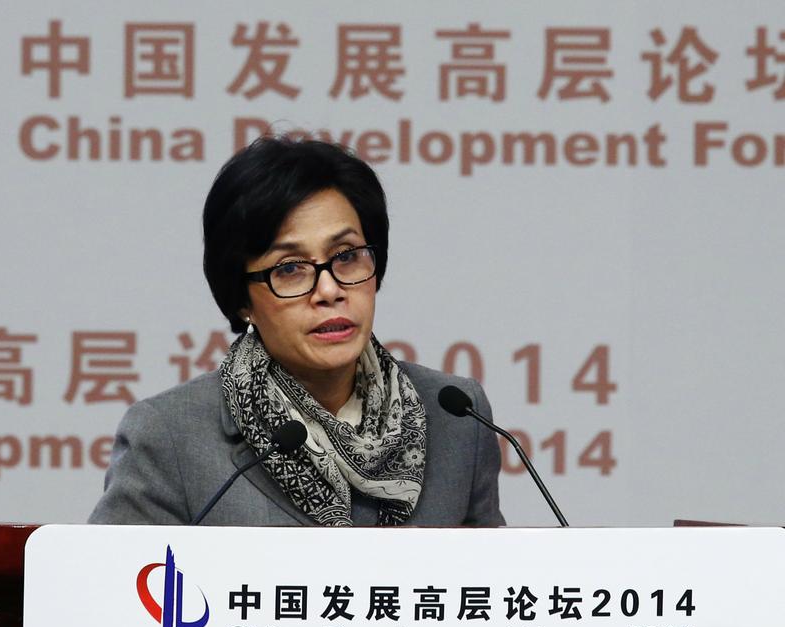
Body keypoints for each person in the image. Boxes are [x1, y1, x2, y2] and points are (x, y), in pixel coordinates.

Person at [89, 136, 505, 527]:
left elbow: (491, 586)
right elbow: (115, 591)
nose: (329, 289)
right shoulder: (170, 438)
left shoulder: (458, 418)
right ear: (242, 299)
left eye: (347, 257)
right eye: (289, 268)